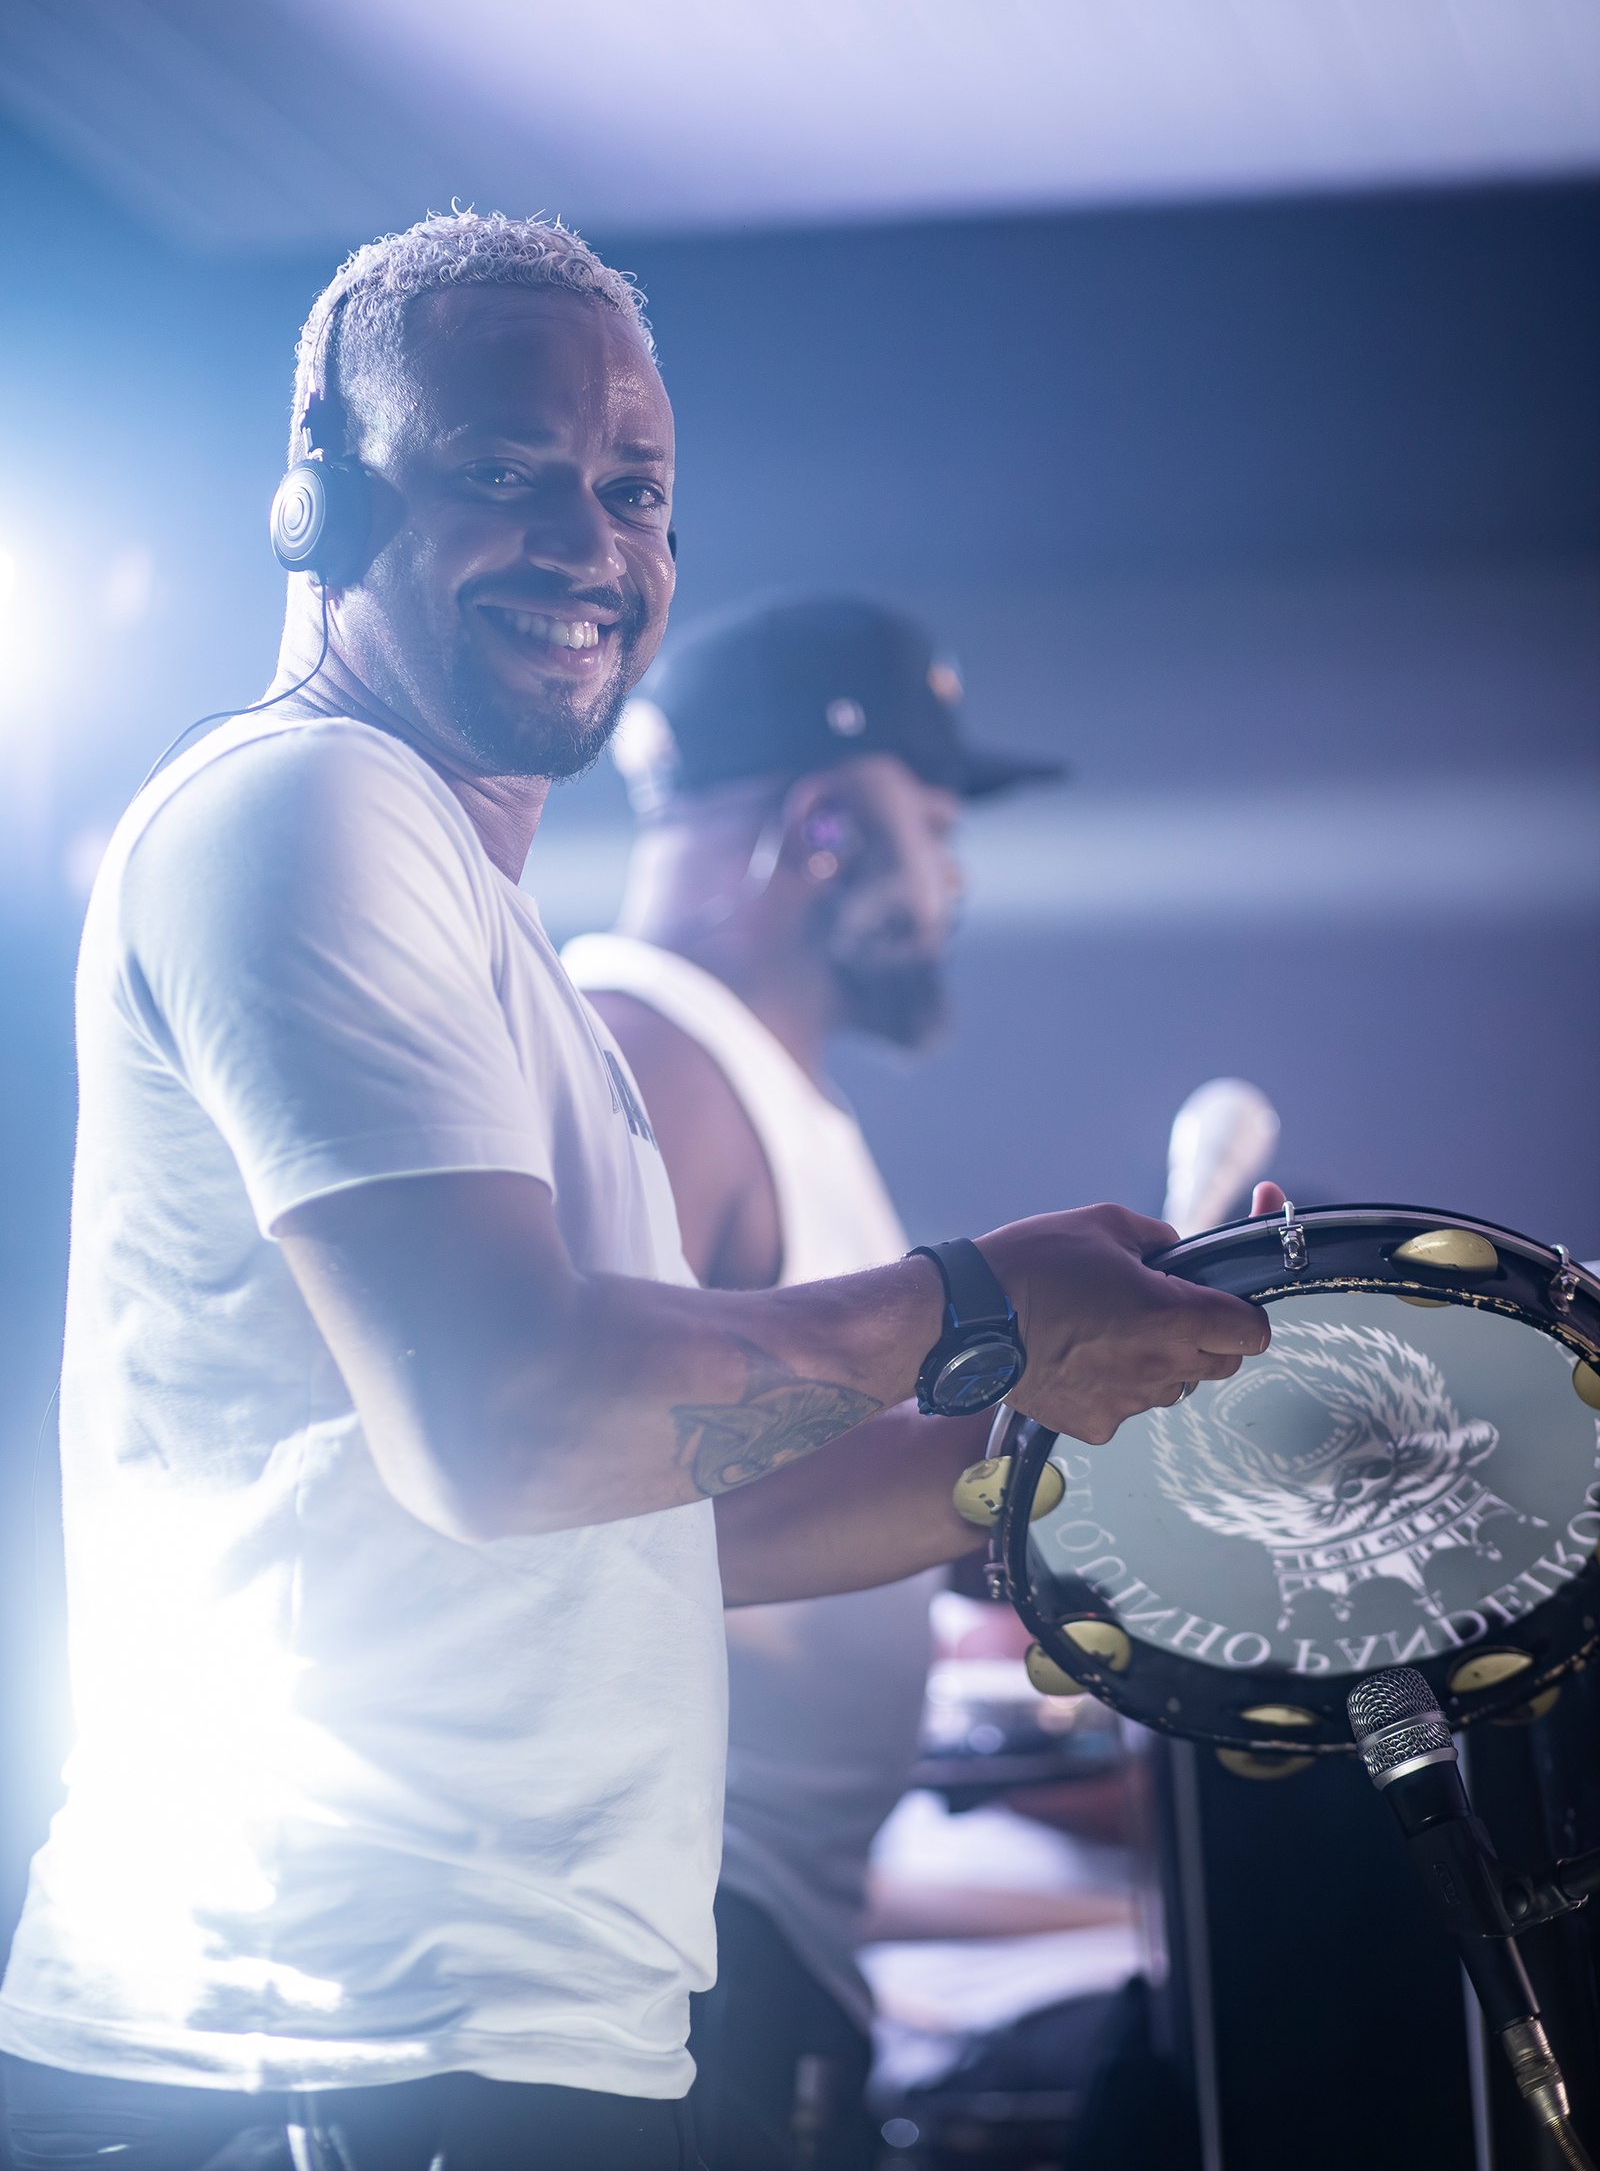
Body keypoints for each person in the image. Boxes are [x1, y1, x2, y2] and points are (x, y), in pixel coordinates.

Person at [0, 210, 1267, 2171]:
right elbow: (509, 1427)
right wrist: (980, 1306)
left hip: (511, 2017)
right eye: (506, 474)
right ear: (318, 501)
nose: (588, 543)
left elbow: (671, 1504)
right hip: (333, 2024)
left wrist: (1057, 1425)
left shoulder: (477, 916)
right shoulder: (309, 802)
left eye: (633, 489)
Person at [564, 594, 1062, 2169]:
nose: (955, 879)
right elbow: (599, 1501)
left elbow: (783, 1475)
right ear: (828, 827)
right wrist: (1038, 1433)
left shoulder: (757, 1081)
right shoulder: (653, 1055)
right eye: (938, 828)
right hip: (681, 1922)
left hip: (760, 1921)